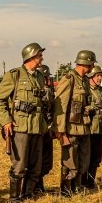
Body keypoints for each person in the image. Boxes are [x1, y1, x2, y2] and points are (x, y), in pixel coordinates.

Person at [0, 43, 51, 203]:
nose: (42, 58)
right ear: (31, 56)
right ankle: (14, 198)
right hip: (20, 127)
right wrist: (6, 121)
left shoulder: (39, 77)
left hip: (38, 127)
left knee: (35, 165)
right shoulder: (14, 75)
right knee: (19, 165)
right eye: (39, 55)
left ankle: (28, 195)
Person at [53, 50, 96, 196]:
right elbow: (61, 105)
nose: (93, 66)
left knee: (83, 160)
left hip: (84, 127)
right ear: (87, 63)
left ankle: (77, 187)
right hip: (71, 128)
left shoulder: (84, 80)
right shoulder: (69, 78)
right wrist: (60, 130)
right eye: (92, 63)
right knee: (70, 160)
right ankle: (66, 190)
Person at [83, 65, 102, 189]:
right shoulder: (85, 90)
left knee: (96, 158)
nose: (100, 78)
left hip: (99, 128)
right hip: (89, 128)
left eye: (101, 76)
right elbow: (82, 108)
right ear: (91, 77)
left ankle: (90, 182)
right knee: (86, 157)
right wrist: (94, 107)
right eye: (97, 76)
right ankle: (83, 182)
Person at [36, 65, 56, 193]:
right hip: (39, 128)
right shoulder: (40, 91)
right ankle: (36, 186)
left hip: (48, 128)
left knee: (47, 162)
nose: (48, 80)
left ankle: (39, 185)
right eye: (46, 77)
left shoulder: (50, 90)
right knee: (38, 160)